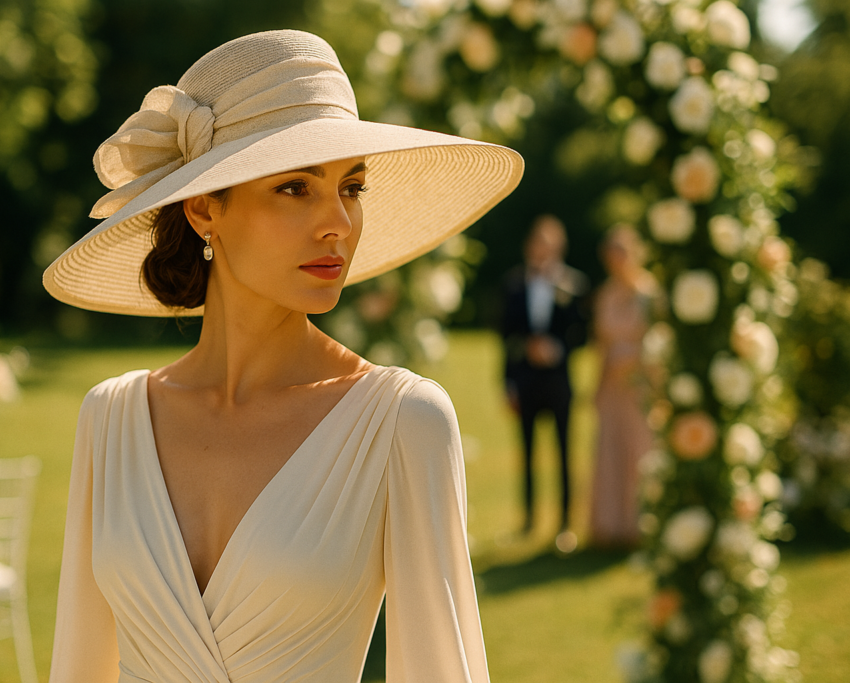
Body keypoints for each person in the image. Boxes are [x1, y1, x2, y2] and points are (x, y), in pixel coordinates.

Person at [44, 31, 524, 683]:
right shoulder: (111, 419)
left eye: (351, 187)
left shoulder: (401, 423)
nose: (339, 223)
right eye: (296, 188)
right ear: (204, 208)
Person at [499, 216, 588, 547]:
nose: (542, 251)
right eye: (538, 243)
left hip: (559, 382)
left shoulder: (574, 285)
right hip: (525, 380)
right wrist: (508, 381)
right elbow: (505, 337)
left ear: (558, 248)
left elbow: (583, 335)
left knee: (564, 451)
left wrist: (558, 349)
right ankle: (528, 519)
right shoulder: (514, 285)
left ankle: (566, 522)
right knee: (527, 452)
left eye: (549, 245)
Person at [589, 225, 658, 549]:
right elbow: (602, 346)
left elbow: (660, 343)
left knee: (640, 452)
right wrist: (598, 387)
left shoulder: (649, 294)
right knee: (611, 452)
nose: (617, 260)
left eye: (622, 252)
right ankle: (610, 526)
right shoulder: (605, 295)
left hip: (642, 386)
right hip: (614, 388)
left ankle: (641, 524)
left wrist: (639, 361)